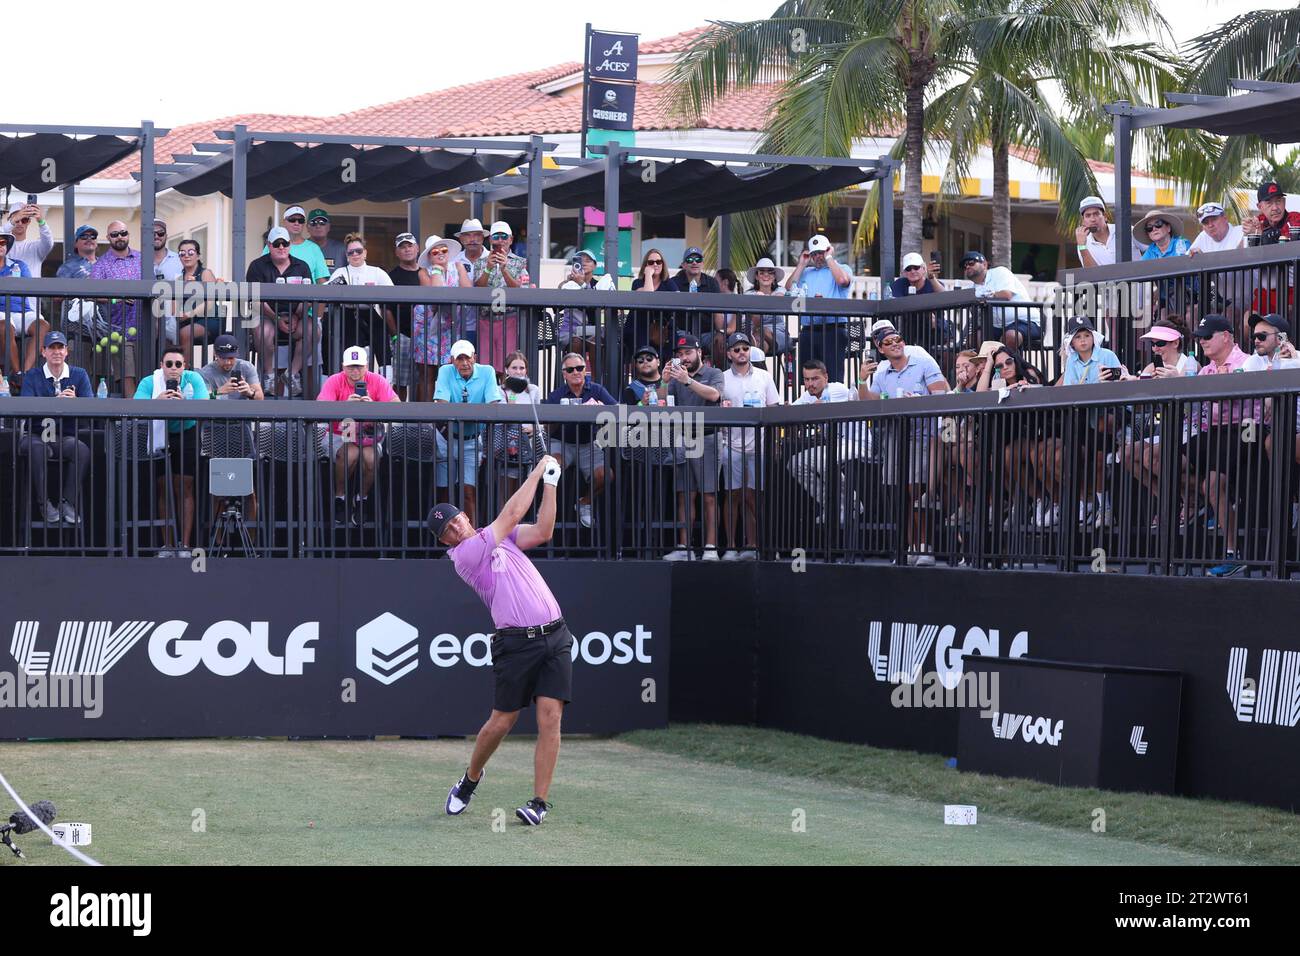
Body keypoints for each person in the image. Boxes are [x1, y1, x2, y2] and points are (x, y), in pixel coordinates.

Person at [433, 451, 569, 827]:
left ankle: (539, 802)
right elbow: (510, 515)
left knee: (551, 717)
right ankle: (469, 781)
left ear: (465, 516)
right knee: (501, 722)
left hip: (555, 635)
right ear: (445, 541)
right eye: (447, 530)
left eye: (456, 520)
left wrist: (552, 484)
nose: (456, 529)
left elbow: (543, 530)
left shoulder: (501, 538)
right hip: (516, 644)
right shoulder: (465, 556)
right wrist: (538, 470)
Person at [862, 326, 948, 564]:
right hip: (893, 437)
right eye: (888, 342)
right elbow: (869, 403)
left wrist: (920, 401)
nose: (896, 344)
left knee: (916, 491)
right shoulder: (881, 373)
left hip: (922, 435)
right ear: (880, 349)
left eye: (898, 339)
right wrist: (861, 380)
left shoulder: (923, 363)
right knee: (900, 494)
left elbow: (942, 395)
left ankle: (925, 546)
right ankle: (911, 546)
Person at [1184, 314, 1256, 577]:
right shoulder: (1204, 370)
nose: (1202, 342)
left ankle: (1232, 554)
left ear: (1226, 336)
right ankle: (1200, 503)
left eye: (1207, 336)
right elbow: (1194, 413)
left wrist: (1226, 386)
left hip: (1247, 430)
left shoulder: (1248, 362)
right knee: (1161, 458)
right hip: (1213, 433)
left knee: (1212, 484)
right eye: (1199, 338)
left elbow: (1252, 407)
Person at [134, 345, 210, 556]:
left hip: (187, 433)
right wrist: (157, 402)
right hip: (160, 435)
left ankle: (184, 546)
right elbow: (134, 406)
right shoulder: (150, 382)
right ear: (161, 366)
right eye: (169, 364)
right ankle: (167, 545)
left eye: (178, 364)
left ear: (184, 366)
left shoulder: (193, 379)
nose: (173, 369)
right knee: (163, 488)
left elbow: (204, 405)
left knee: (185, 487)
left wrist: (184, 403)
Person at [1120, 320, 1200, 519]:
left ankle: (1191, 500)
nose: (1155, 348)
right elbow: (1139, 394)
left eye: (1160, 343)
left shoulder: (1190, 364)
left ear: (1175, 343)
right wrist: (1129, 381)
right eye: (1153, 344)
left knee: (1151, 458)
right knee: (1127, 454)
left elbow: (1193, 404)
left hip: (1190, 429)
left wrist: (1177, 380)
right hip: (1165, 429)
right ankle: (1168, 499)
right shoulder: (1152, 366)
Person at [318, 345, 401, 527]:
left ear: (366, 366)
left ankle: (362, 498)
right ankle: (340, 497)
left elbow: (397, 404)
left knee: (371, 459)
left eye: (359, 366)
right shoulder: (334, 380)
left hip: (369, 433)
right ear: (342, 366)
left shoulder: (377, 380)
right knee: (349, 454)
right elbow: (320, 408)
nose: (355, 371)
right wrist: (344, 407)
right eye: (350, 367)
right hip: (341, 431)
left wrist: (374, 407)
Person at [717, 332, 782, 559]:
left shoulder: (764, 376)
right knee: (732, 495)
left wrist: (773, 443)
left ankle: (756, 546)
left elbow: (774, 408)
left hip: (759, 444)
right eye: (736, 349)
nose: (741, 352)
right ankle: (731, 547)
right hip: (730, 444)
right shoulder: (722, 377)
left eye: (745, 348)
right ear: (728, 354)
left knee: (754, 496)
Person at [661, 332, 723, 560]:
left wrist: (687, 380)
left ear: (699, 352)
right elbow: (659, 402)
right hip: (682, 438)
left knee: (709, 496)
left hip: (707, 437)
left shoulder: (713, 373)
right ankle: (683, 548)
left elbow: (715, 395)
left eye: (688, 352)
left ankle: (710, 548)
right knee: (684, 495)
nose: (684, 358)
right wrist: (664, 381)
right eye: (680, 354)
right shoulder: (676, 379)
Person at [19, 331, 92, 525]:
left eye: (60, 347)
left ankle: (67, 501)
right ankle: (44, 503)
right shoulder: (32, 376)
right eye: (52, 348)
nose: (57, 352)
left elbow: (92, 408)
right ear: (43, 352)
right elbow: (26, 409)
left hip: (63, 436)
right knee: (39, 448)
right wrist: (54, 404)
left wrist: (75, 403)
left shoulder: (79, 374)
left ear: (67, 352)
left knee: (81, 449)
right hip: (35, 434)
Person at [433, 339, 505, 527]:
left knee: (468, 492)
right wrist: (472, 413)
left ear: (475, 358)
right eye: (460, 359)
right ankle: (445, 536)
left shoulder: (487, 371)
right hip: (446, 438)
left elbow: (493, 406)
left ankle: (471, 538)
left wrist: (461, 413)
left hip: (472, 441)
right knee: (444, 492)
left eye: (468, 358)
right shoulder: (444, 371)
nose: (464, 363)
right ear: (452, 361)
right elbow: (441, 405)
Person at [543, 353, 617, 530]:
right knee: (550, 469)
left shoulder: (597, 390)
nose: (575, 372)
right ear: (564, 374)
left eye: (579, 368)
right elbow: (547, 428)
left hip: (588, 444)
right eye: (570, 369)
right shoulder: (556, 395)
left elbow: (617, 410)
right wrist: (561, 415)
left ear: (586, 371)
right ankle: (545, 511)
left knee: (606, 475)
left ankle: (585, 502)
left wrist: (602, 410)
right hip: (561, 443)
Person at [199, 334, 264, 530]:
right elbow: (200, 403)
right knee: (217, 491)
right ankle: (217, 545)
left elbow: (260, 398)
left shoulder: (246, 367)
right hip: (214, 429)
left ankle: (252, 545)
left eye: (231, 357)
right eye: (223, 357)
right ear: (215, 354)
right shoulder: (205, 373)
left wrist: (249, 392)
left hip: (241, 428)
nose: (228, 362)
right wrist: (221, 391)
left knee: (249, 490)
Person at [246, 226, 314, 396]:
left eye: (285, 243)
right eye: (277, 244)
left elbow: (309, 297)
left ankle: (292, 373)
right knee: (263, 330)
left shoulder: (302, 266)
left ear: (290, 245)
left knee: (313, 329)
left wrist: (297, 316)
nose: (282, 247)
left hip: (295, 316)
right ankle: (269, 375)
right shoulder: (257, 266)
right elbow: (255, 299)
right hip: (267, 315)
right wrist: (276, 318)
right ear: (269, 245)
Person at [786, 235, 852, 380]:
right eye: (814, 254)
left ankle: (834, 403)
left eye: (820, 253)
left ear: (828, 251)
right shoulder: (807, 272)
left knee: (833, 377)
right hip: (809, 330)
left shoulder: (842, 268)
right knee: (809, 378)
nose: (817, 257)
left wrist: (829, 258)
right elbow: (789, 288)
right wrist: (802, 264)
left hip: (833, 329)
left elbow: (842, 281)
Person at [89, 221, 144, 395]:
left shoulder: (142, 258)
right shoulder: (101, 264)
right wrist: (116, 298)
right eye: (114, 234)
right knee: (128, 374)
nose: (120, 237)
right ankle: (134, 417)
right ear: (108, 238)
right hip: (118, 329)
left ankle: (150, 414)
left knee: (147, 372)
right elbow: (92, 294)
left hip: (146, 326)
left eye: (123, 233)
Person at [412, 235, 469, 401]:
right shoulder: (424, 271)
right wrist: (437, 269)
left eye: (444, 250)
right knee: (427, 374)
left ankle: (445, 419)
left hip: (449, 327)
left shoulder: (457, 266)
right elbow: (436, 295)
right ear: (429, 256)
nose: (440, 254)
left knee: (449, 372)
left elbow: (468, 291)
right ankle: (426, 419)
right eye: (435, 252)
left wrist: (459, 269)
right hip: (427, 327)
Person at [328, 233, 394, 367]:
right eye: (351, 252)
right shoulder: (340, 272)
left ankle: (386, 379)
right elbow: (326, 290)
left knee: (381, 334)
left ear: (365, 253)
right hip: (347, 315)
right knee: (351, 348)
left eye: (358, 251)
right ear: (347, 256)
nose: (355, 254)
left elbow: (392, 293)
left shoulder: (377, 272)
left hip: (370, 313)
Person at [472, 221, 529, 371]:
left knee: (508, 363)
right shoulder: (480, 262)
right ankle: (489, 395)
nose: (500, 240)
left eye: (504, 237)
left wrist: (504, 269)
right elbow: (478, 287)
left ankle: (507, 394)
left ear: (510, 240)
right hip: (485, 318)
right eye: (496, 237)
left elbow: (520, 289)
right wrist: (488, 269)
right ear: (490, 239)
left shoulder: (520, 262)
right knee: (485, 366)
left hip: (509, 318)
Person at [960, 251, 1036, 350]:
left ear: (984, 264)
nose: (967, 267)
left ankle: (1009, 364)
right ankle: (985, 365)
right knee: (973, 340)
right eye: (964, 266)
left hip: (1024, 321)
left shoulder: (1000, 272)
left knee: (1010, 336)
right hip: (996, 327)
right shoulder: (971, 288)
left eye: (971, 263)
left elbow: (1006, 295)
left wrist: (984, 297)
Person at [386, 232, 431, 399]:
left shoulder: (427, 273)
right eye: (402, 247)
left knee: (424, 379)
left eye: (410, 245)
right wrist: (395, 335)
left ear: (417, 248)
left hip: (426, 335)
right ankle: (399, 420)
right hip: (403, 336)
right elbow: (387, 309)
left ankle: (421, 421)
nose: (407, 250)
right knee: (400, 381)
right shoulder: (392, 276)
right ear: (396, 252)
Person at [494, 351, 545, 497]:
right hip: (509, 444)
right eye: (514, 368)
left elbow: (539, 417)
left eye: (522, 368)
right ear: (506, 369)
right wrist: (512, 394)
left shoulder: (533, 390)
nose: (518, 371)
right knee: (509, 491)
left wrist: (534, 428)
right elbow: (505, 418)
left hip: (530, 444)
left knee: (528, 491)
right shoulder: (500, 390)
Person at [557, 249, 615, 369]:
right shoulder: (567, 284)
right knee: (576, 341)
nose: (583, 263)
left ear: (595, 265)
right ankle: (574, 377)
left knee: (595, 341)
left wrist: (582, 285)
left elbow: (593, 309)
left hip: (593, 332)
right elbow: (559, 304)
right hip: (570, 332)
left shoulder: (599, 285)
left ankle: (596, 382)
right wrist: (576, 283)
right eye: (580, 260)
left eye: (588, 261)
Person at [0, 225, 40, 376]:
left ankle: (26, 372)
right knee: (5, 326)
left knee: (42, 325)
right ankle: (17, 373)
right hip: (1, 313)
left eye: (3, 243)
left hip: (22, 311)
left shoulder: (19, 265)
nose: (1, 246)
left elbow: (29, 286)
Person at [626, 247, 679, 359]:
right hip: (640, 327)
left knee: (673, 338)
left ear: (663, 264)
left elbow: (678, 299)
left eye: (658, 262)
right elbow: (648, 297)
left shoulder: (669, 283)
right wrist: (649, 275)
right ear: (646, 265)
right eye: (651, 262)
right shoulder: (638, 282)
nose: (655, 264)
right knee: (641, 344)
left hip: (662, 327)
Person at [174, 239, 222, 355]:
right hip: (187, 320)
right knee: (167, 334)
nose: (186, 256)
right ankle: (171, 368)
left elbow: (209, 304)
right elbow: (174, 308)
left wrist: (189, 314)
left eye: (191, 252)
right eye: (182, 253)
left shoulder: (206, 273)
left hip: (209, 319)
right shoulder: (178, 279)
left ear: (198, 256)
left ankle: (185, 372)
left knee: (185, 333)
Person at [451, 219, 490, 352]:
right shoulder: (453, 261)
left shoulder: (493, 259)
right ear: (461, 239)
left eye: (476, 235)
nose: (472, 239)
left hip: (490, 323)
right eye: (467, 235)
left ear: (483, 237)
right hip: (461, 325)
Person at [743, 257, 791, 364]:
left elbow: (779, 298)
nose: (766, 275)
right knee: (760, 343)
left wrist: (760, 300)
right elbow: (755, 321)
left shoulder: (780, 290)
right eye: (762, 272)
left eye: (770, 272)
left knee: (760, 334)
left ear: (774, 276)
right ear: (756, 276)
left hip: (777, 332)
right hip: (756, 333)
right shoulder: (748, 294)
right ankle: (761, 373)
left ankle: (757, 372)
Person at [1075, 195, 1146, 266]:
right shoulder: (1083, 245)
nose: (1092, 219)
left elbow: (1152, 249)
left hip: (1135, 276)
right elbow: (1091, 272)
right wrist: (1082, 246)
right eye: (1088, 216)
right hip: (1106, 277)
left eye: (1096, 214)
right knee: (1069, 276)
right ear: (1083, 221)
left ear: (1105, 217)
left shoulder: (1127, 230)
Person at [6, 200, 53, 279]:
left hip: (31, 291)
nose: (20, 223)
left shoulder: (35, 247)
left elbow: (48, 242)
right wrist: (11, 223)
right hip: (7, 290)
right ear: (10, 220)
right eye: (17, 220)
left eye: (24, 220)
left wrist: (41, 221)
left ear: (29, 222)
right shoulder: (2, 246)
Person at [306, 209, 349, 274]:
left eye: (322, 223)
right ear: (307, 227)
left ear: (328, 227)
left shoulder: (341, 249)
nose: (318, 226)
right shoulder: (301, 248)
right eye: (313, 223)